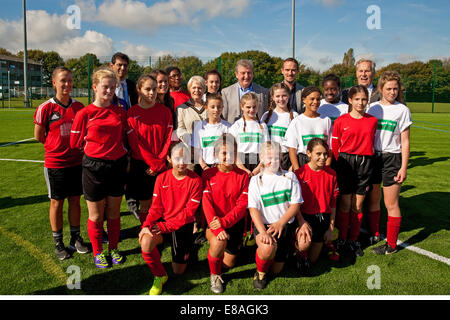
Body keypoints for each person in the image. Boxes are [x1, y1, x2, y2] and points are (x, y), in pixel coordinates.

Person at [70, 67, 128, 268]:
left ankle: (113, 249)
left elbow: (122, 138)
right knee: (95, 215)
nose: (109, 91)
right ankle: (98, 252)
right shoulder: (85, 113)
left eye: (113, 87)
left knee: (113, 212)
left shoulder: (120, 111)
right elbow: (75, 143)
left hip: (117, 165)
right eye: (105, 87)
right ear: (95, 87)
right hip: (94, 167)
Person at [33, 66, 90, 260]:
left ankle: (75, 238)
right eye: (63, 80)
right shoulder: (45, 108)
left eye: (70, 80)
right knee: (56, 202)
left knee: (75, 200)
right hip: (55, 164)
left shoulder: (79, 107)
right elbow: (38, 136)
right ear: (54, 83)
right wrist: (55, 147)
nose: (67, 84)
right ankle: (58, 242)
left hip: (77, 163)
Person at [139, 142, 203, 295]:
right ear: (169, 159)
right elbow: (156, 207)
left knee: (179, 271)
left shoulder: (195, 180)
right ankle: (160, 276)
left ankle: (191, 245)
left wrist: (163, 227)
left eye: (185, 158)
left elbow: (188, 214)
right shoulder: (161, 178)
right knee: (145, 241)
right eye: (177, 158)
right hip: (164, 224)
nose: (181, 162)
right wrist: (146, 225)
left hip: (182, 226)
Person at [247, 141, 303, 290]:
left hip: (284, 225)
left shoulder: (290, 176)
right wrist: (263, 232)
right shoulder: (255, 180)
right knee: (267, 249)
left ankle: (280, 253)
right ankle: (260, 272)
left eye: (277, 157)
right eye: (269, 157)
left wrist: (281, 223)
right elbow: (253, 209)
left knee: (277, 270)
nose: (273, 161)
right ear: (262, 160)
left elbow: (296, 204)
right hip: (265, 226)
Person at [367, 71, 412, 255]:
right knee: (374, 198)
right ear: (381, 89)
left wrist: (403, 166)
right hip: (373, 157)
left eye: (395, 89)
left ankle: (391, 245)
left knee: (391, 202)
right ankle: (374, 234)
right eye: (388, 89)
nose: (392, 92)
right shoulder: (372, 108)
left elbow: (406, 141)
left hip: (392, 158)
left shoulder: (402, 110)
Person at [331, 85, 378, 258]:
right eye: (357, 99)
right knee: (344, 204)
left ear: (367, 101)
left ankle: (354, 240)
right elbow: (335, 146)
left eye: (364, 99)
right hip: (345, 163)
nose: (360, 102)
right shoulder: (341, 120)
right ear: (350, 100)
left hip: (365, 163)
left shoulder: (372, 120)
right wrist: (338, 164)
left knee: (357, 205)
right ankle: (342, 239)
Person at [202, 134, 249, 293]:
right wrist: (218, 228)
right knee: (218, 242)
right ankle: (215, 275)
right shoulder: (208, 175)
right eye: (223, 153)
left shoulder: (243, 176)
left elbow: (242, 206)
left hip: (233, 224)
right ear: (215, 154)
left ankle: (222, 251)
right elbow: (206, 204)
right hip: (214, 224)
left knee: (229, 264)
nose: (228, 156)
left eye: (231, 153)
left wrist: (225, 222)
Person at [126, 74, 173, 224]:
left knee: (162, 200)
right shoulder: (132, 113)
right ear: (139, 90)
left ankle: (161, 231)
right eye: (147, 89)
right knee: (145, 203)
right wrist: (153, 164)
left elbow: (168, 138)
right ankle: (146, 230)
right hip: (141, 165)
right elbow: (136, 144)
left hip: (160, 164)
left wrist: (159, 162)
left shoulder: (165, 112)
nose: (152, 93)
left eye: (154, 89)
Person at [294, 138, 339, 271]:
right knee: (303, 246)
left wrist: (331, 228)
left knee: (313, 260)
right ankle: (298, 248)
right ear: (308, 153)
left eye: (325, 154)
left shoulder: (331, 174)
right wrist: (300, 222)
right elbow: (293, 204)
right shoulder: (299, 174)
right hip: (304, 218)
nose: (323, 157)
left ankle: (324, 245)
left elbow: (333, 204)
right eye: (318, 154)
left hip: (322, 218)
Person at [284, 86, 332, 171]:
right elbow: (292, 149)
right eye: (312, 99)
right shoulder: (297, 121)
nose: (315, 102)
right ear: (304, 100)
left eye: (318, 99)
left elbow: (330, 147)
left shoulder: (326, 120)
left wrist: (327, 166)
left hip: (322, 162)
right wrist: (297, 169)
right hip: (303, 161)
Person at [228, 92, 270, 177]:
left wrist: (257, 169)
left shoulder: (262, 126)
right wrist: (242, 168)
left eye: (254, 107)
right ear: (242, 107)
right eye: (248, 107)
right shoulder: (236, 126)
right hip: (241, 162)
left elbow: (266, 150)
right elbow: (232, 150)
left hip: (258, 162)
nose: (251, 110)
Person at [262, 82, 298, 171]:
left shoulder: (295, 116)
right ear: (273, 97)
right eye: (277, 96)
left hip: (286, 158)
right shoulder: (266, 116)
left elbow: (298, 144)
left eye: (284, 95)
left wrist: (292, 165)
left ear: (289, 96)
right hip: (269, 157)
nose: (281, 99)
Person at [221, 59, 270, 124]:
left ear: (253, 74)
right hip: (233, 131)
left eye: (249, 73)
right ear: (236, 74)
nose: (246, 76)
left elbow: (266, 115)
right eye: (243, 73)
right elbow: (223, 116)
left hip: (256, 131)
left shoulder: (263, 92)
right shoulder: (225, 93)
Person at [191, 93, 231, 171]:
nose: (216, 110)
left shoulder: (228, 127)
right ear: (206, 107)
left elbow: (230, 149)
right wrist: (204, 166)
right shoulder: (199, 127)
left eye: (219, 107)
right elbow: (195, 149)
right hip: (203, 166)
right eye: (212, 107)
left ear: (222, 107)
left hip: (222, 166)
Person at [176, 75, 208, 154]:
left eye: (200, 88)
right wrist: (189, 139)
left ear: (204, 89)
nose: (197, 90)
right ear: (189, 89)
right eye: (194, 88)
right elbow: (180, 129)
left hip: (209, 150)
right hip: (191, 151)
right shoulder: (181, 109)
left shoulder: (210, 107)